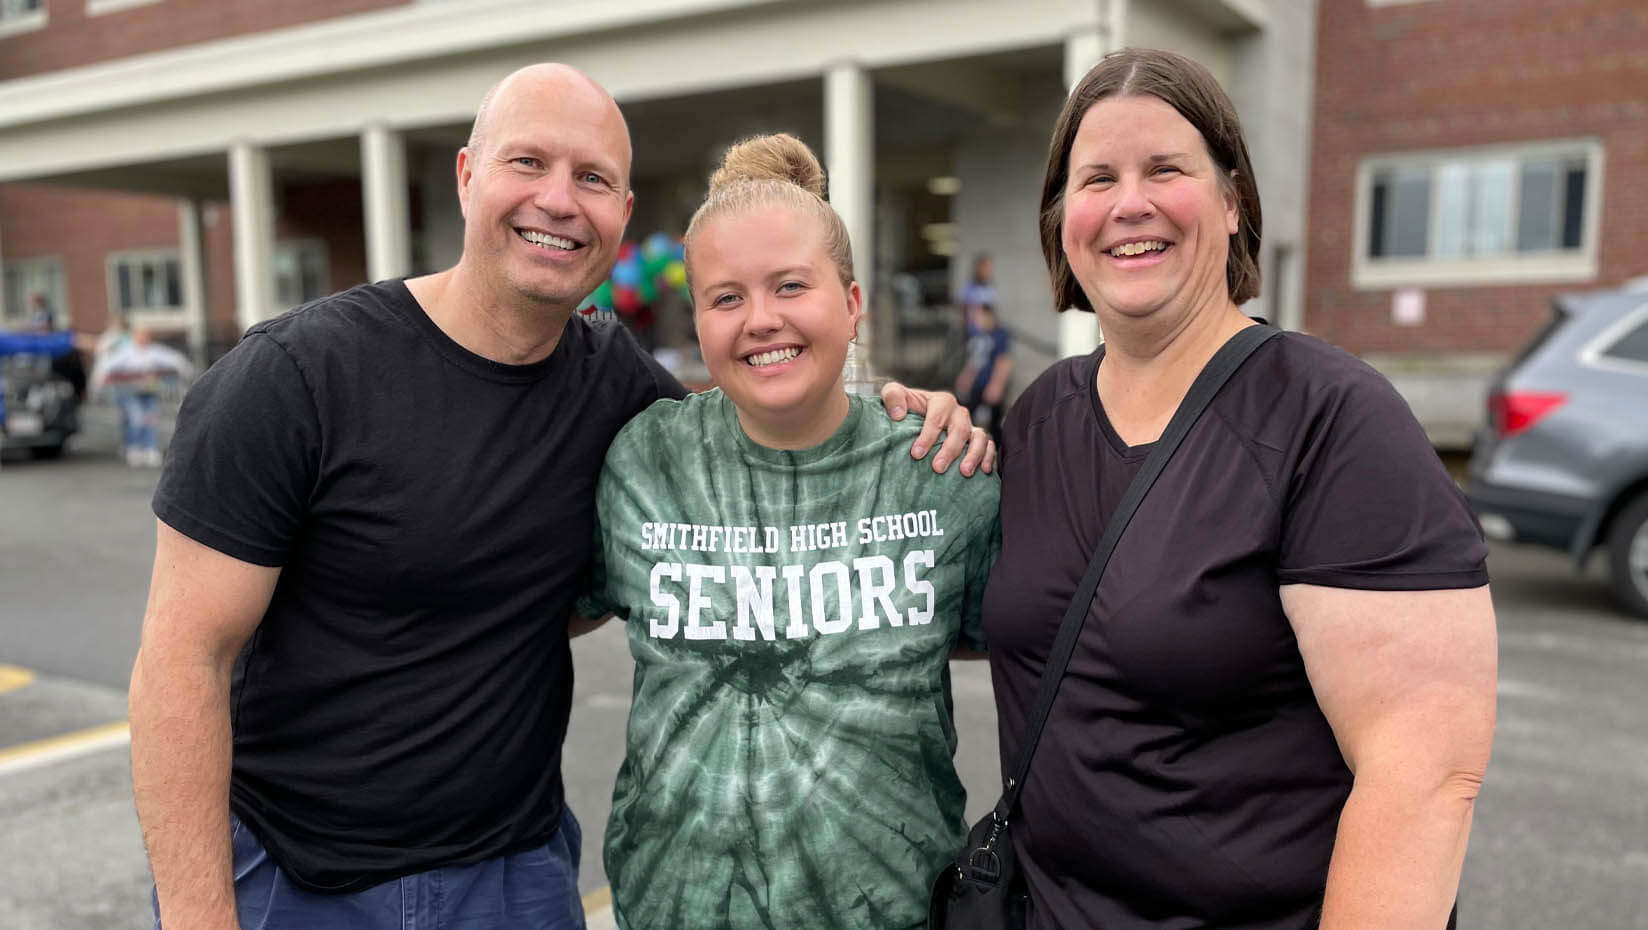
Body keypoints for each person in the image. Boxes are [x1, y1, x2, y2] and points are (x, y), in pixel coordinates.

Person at [127, 65, 991, 930]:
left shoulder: (625, 400)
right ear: (468, 176)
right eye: (527, 163)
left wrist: (900, 408)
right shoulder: (296, 378)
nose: (558, 200)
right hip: (301, 881)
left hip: (516, 879)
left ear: (620, 212)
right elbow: (180, 663)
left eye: (593, 179)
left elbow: (762, 416)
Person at [980, 49, 1497, 930]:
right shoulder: (1037, 420)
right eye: (1096, 177)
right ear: (1063, 218)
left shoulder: (1329, 418)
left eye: (1166, 170)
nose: (1129, 203)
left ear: (1230, 201)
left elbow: (1424, 776)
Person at [578, 134, 1000, 930]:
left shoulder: (941, 469)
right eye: (726, 297)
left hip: (896, 909)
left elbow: (1011, 645)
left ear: (851, 303)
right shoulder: (640, 461)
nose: (760, 320)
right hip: (671, 908)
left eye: (791, 286)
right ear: (696, 318)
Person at [90, 326, 193, 467]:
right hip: (129, 392)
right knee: (136, 418)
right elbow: (106, 366)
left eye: (146, 336)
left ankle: (149, 447)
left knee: (151, 419)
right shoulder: (125, 352)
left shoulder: (154, 351)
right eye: (140, 336)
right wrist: (99, 383)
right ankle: (134, 447)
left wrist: (185, 371)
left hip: (148, 392)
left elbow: (175, 359)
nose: (143, 339)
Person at [954, 300, 1012, 444]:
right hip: (977, 385)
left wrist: (996, 385)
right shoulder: (978, 336)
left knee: (995, 424)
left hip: (990, 384)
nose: (976, 321)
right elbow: (973, 361)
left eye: (979, 316)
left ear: (988, 315)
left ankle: (999, 455)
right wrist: (965, 378)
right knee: (968, 416)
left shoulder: (999, 334)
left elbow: (1003, 361)